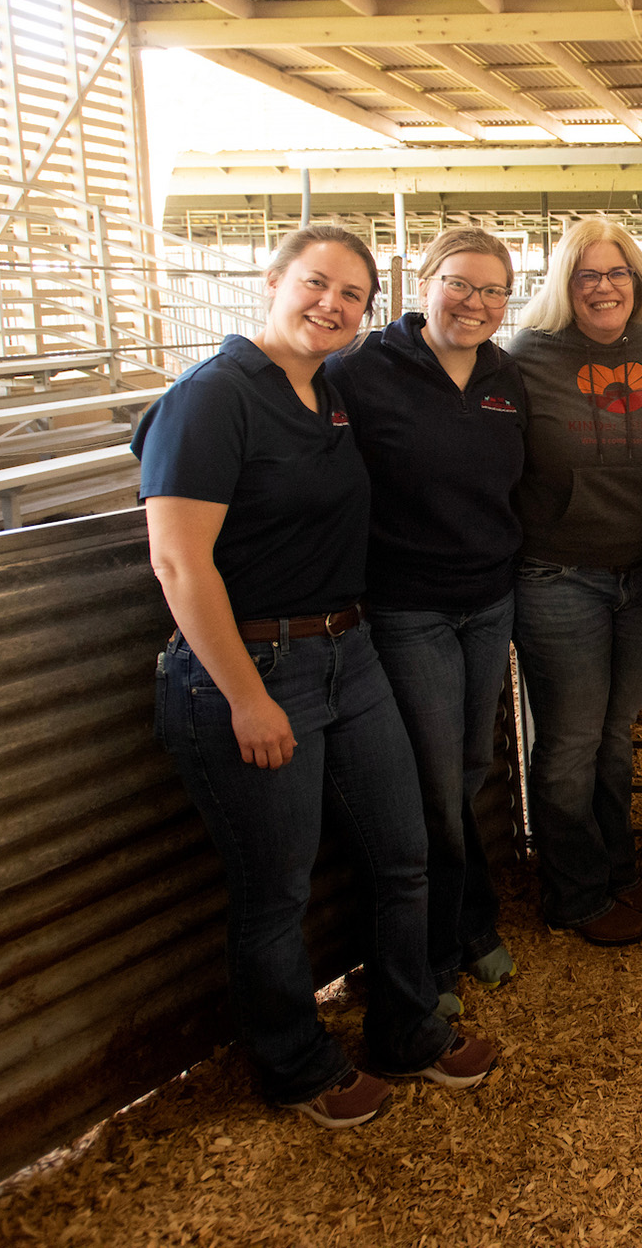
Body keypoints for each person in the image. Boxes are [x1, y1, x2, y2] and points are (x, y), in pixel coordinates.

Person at [134, 225, 499, 1130]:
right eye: (316, 283)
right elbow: (179, 564)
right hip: (251, 668)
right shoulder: (213, 397)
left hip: (350, 650)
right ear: (273, 280)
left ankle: (407, 1028)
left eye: (351, 296)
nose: (331, 305)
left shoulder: (327, 391)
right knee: (276, 890)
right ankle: (295, 1064)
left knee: (403, 850)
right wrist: (245, 696)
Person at [327, 229, 525, 1013]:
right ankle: (444, 944)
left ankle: (461, 924)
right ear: (424, 281)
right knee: (437, 785)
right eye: (460, 284)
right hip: (409, 606)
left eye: (493, 291)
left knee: (468, 771)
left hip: (490, 601)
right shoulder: (362, 371)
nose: (475, 304)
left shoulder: (507, 377)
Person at [508, 220, 642, 946]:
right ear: (564, 285)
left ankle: (615, 865)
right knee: (571, 741)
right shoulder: (526, 358)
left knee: (615, 736)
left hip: (639, 575)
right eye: (586, 275)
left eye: (616, 273)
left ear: (638, 282)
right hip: (559, 575)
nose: (603, 286)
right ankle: (572, 890)